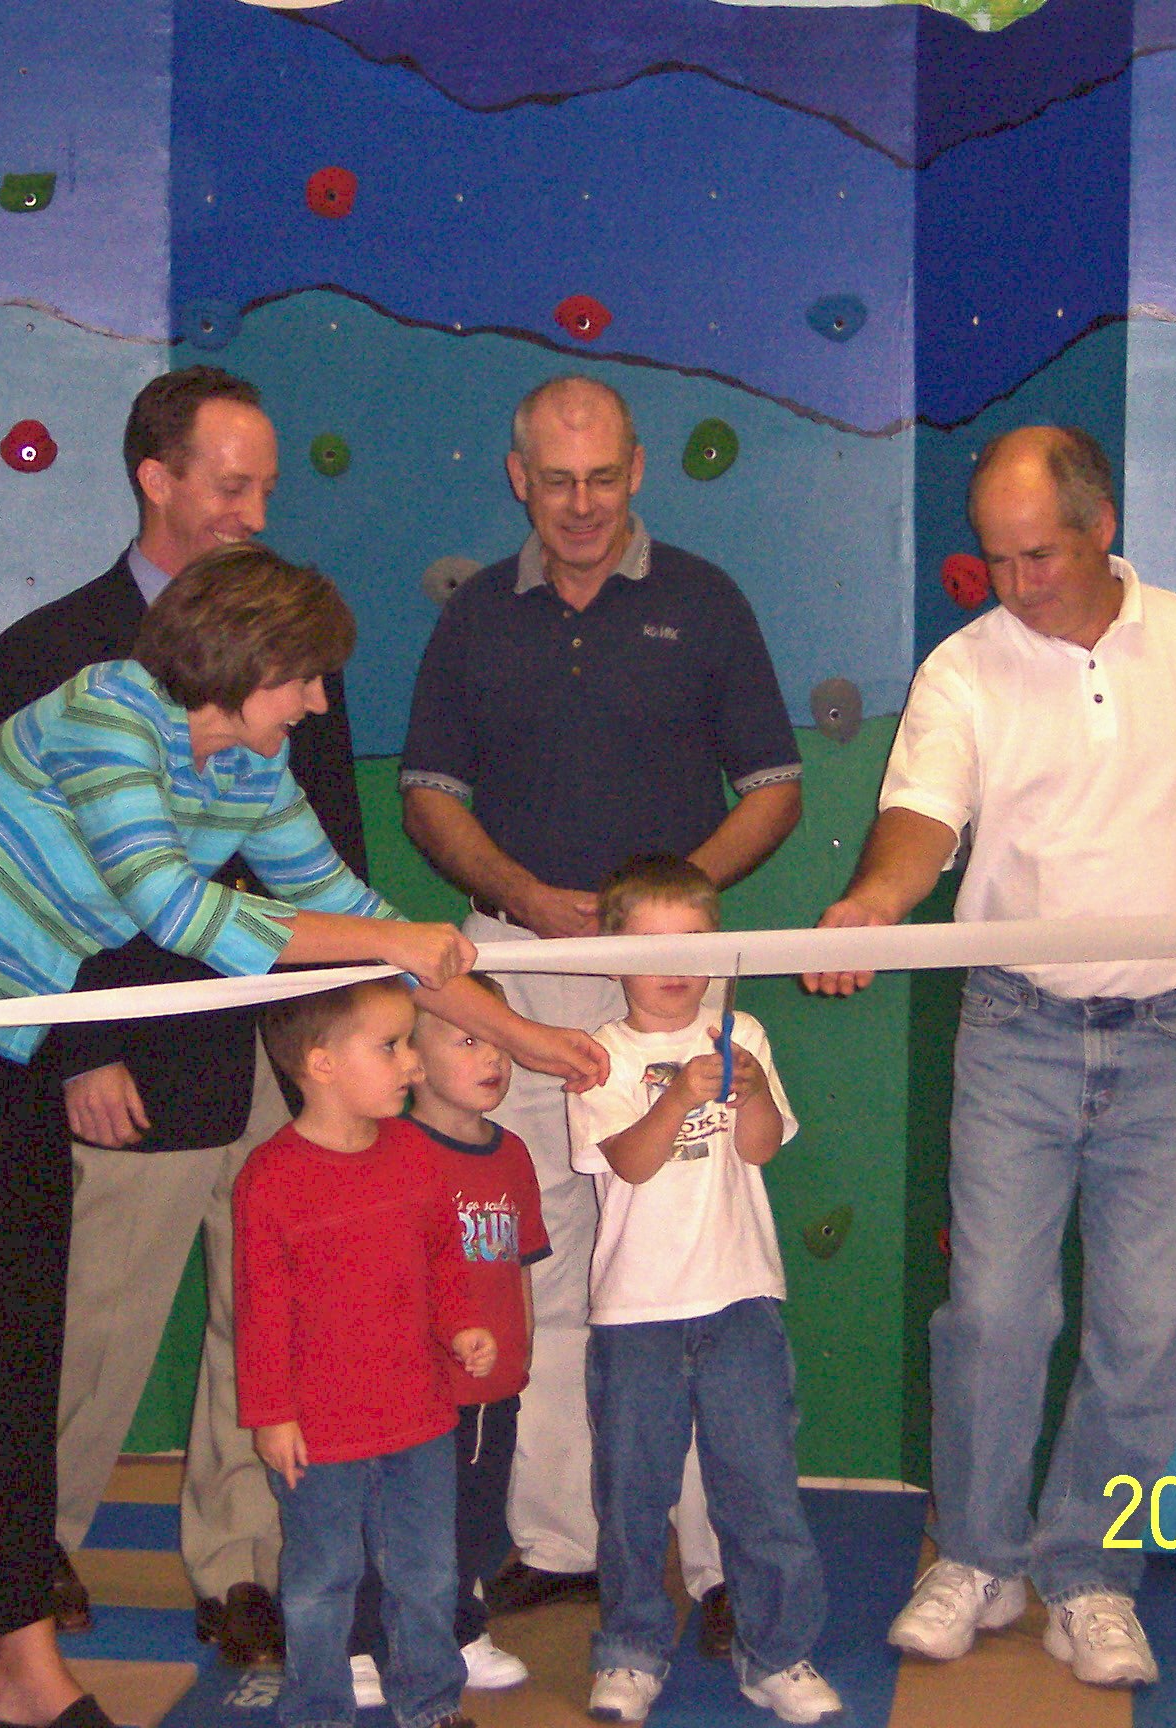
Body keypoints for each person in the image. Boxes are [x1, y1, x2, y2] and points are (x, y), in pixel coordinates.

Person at [0, 546, 601, 1728]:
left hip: (7, 1042)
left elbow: (367, 919)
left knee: (13, 1351)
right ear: (254, 662)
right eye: (310, 678)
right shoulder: (104, 711)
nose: (322, 705)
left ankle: (24, 1668)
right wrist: (399, 946)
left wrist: (514, 1036)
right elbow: (170, 907)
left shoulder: (249, 770)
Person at [804, 426, 1176, 1688]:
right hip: (1016, 1029)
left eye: (1040, 555)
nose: (1017, 583)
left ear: (1102, 524)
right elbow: (922, 816)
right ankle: (975, 1553)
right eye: (996, 559)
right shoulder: (962, 670)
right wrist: (874, 902)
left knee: (1144, 1331)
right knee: (1000, 1315)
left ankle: (1089, 1572)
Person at [400, 375, 802, 1641]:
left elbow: (775, 786)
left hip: (670, 978)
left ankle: (722, 1566)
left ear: (638, 471)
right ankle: (563, 1547)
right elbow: (427, 796)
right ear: (518, 476)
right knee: (545, 1273)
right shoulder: (473, 621)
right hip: (510, 977)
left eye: (603, 478)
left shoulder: (705, 599)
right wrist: (517, 887)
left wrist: (667, 910)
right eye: (555, 481)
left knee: (697, 1277)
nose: (580, 506)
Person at [0, 365, 365, 1661]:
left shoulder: (296, 644)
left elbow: (331, 853)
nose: (254, 508)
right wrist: (79, 1046)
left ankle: (240, 1564)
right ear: (157, 478)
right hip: (125, 1052)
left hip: (271, 1052)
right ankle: (29, 1549)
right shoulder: (50, 649)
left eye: (266, 483)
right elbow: (31, 878)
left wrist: (342, 1031)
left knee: (267, 1319)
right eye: (229, 483)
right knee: (93, 1322)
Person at [565, 855, 838, 1726]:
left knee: (760, 1487)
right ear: (612, 954)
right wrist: (680, 1097)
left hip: (740, 1299)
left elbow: (759, 1148)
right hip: (636, 1312)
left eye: (693, 943)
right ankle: (632, 1651)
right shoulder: (600, 1054)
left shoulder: (743, 1032)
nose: (674, 965)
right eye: (650, 945)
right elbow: (631, 1163)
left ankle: (779, 1653)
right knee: (633, 1495)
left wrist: (747, 1091)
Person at [237, 978, 497, 1728]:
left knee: (427, 1573)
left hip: (418, 1415)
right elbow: (261, 1311)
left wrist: (460, 1327)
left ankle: (429, 1701)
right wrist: (271, 1415)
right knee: (322, 1579)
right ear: (320, 1064)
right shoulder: (272, 1178)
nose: (412, 1063)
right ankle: (318, 1710)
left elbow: (444, 1261)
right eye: (391, 1046)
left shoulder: (412, 1154)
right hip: (320, 1432)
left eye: (408, 1043)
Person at [347, 982, 546, 1704]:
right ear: (413, 1062)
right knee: (390, 1522)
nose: (491, 1057)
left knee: (475, 1518)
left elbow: (518, 1266)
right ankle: (362, 1642)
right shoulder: (389, 1151)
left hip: (489, 1391)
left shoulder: (513, 1155)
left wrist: (519, 1359)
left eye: (498, 1041)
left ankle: (460, 1628)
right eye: (467, 1039)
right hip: (409, 1391)